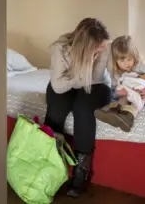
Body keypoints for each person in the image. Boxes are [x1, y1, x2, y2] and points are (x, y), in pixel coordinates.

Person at [44, 17, 111, 198]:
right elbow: (58, 86)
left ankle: (81, 170)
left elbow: (92, 79)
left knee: (83, 108)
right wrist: (82, 66)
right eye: (97, 46)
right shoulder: (61, 47)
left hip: (96, 85)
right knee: (56, 106)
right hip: (71, 81)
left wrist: (84, 68)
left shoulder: (104, 47)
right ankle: (49, 162)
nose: (103, 48)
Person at [94, 35, 145, 132]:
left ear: (135, 56)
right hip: (134, 90)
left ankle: (129, 117)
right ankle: (114, 112)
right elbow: (115, 89)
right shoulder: (117, 73)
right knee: (125, 98)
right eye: (122, 60)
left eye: (129, 59)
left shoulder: (141, 65)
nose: (126, 64)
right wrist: (120, 93)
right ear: (116, 61)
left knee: (140, 98)